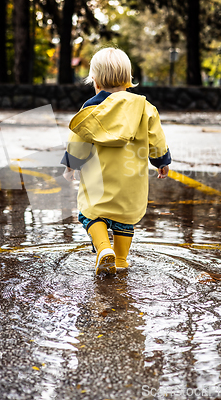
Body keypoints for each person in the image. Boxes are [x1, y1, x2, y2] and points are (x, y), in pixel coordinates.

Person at [61, 47, 171, 275]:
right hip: (131, 181)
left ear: (95, 81)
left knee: (90, 213)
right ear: (128, 79)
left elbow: (78, 139)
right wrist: (161, 160)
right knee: (125, 219)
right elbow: (156, 137)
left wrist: (71, 164)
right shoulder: (145, 107)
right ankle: (120, 259)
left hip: (98, 181)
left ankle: (103, 250)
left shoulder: (91, 109)